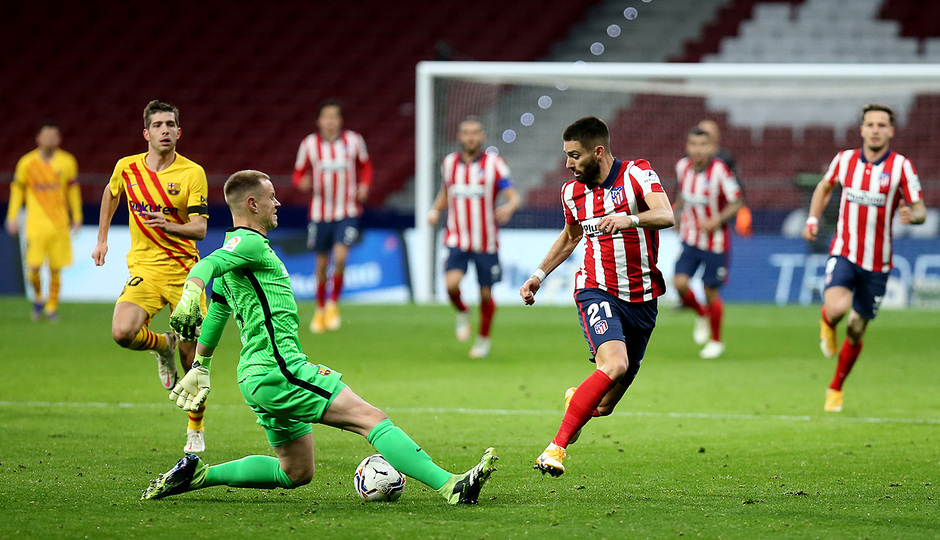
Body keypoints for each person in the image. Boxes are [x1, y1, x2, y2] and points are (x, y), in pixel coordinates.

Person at [140, 170, 498, 504]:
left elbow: (218, 310)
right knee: (370, 418)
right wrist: (190, 291)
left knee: (295, 471)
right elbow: (207, 265)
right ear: (252, 204)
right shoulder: (246, 244)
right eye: (271, 197)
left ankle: (198, 474)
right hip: (279, 370)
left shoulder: (240, 253)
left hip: (257, 376)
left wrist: (202, 364)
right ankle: (453, 486)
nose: (277, 203)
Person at [519, 117, 675, 477]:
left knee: (603, 406)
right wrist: (538, 276)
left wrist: (629, 220)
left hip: (643, 299)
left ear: (598, 152)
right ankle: (555, 449)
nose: (568, 164)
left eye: (575, 155)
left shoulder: (637, 174)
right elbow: (571, 236)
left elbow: (666, 214)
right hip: (596, 289)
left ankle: (579, 400)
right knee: (615, 364)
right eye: (566, 156)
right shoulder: (571, 192)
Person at [91, 100, 210, 452]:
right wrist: (101, 239)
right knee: (122, 332)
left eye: (171, 125)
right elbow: (111, 193)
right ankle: (163, 345)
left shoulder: (192, 173)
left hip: (187, 275)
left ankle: (195, 430)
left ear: (179, 132)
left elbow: (200, 229)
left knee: (193, 362)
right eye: (158, 125)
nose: (165, 130)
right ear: (146, 133)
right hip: (144, 269)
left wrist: (170, 226)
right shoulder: (127, 168)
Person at [802, 103, 925, 413]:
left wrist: (915, 215)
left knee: (857, 328)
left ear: (891, 131)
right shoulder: (844, 160)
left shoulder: (901, 167)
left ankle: (835, 388)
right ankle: (827, 321)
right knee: (838, 308)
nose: (875, 130)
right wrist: (813, 219)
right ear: (862, 129)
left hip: (878, 263)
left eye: (881, 125)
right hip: (844, 250)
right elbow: (824, 186)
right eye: (870, 124)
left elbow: (920, 207)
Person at [427, 117, 520, 358]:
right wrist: (436, 210)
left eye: (475, 132)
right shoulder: (449, 163)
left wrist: (508, 208)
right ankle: (462, 310)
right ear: (459, 137)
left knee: (486, 294)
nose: (470, 137)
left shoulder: (495, 164)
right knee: (450, 285)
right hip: (457, 238)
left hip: (485, 241)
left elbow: (513, 196)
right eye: (466, 132)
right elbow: (446, 191)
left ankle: (483, 338)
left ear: (482, 137)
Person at [292, 99, 373, 334]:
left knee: (339, 257)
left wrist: (365, 185)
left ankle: (333, 304)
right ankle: (319, 309)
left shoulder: (354, 141)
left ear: (340, 120)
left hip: (347, 210)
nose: (330, 121)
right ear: (319, 121)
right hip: (319, 213)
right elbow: (298, 174)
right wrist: (302, 183)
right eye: (326, 117)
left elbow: (366, 167)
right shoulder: (309, 144)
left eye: (334, 116)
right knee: (321, 264)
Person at [673, 127, 744, 359]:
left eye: (703, 145)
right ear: (688, 147)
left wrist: (717, 220)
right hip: (691, 238)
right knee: (680, 283)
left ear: (712, 148)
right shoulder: (682, 167)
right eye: (694, 144)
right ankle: (701, 314)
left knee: (709, 290)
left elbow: (737, 202)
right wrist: (676, 214)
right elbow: (682, 195)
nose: (698, 150)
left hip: (716, 243)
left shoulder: (720, 171)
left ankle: (716, 341)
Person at [6, 121, 81, 321]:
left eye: (53, 136)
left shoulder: (67, 162)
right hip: (35, 226)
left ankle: (51, 307)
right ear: (38, 138)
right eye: (46, 136)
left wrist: (78, 216)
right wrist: (12, 215)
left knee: (56, 269)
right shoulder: (27, 163)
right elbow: (17, 190)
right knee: (33, 269)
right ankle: (39, 297)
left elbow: (73, 191)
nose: (49, 140)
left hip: (59, 224)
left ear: (59, 139)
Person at [697, 119, 752, 237]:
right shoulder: (686, 162)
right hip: (695, 215)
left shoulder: (725, 158)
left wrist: (743, 210)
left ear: (716, 137)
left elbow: (737, 185)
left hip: (721, 213)